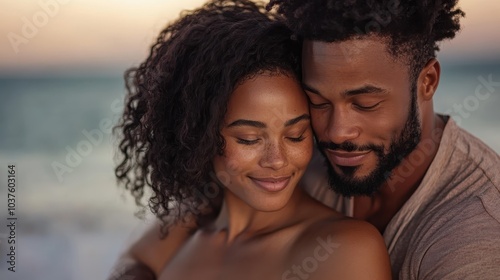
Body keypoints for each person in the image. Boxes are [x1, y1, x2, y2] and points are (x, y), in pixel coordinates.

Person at [111, 0, 500, 279]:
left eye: (364, 103)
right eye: (316, 102)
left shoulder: (475, 239)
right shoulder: (292, 167)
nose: (334, 132)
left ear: (427, 81)